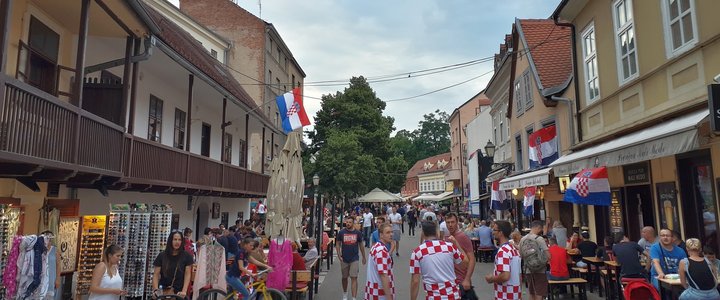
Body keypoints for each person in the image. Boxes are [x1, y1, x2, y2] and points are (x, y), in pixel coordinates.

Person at [409, 221, 468, 300]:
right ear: (437, 233)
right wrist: (456, 244)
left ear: (423, 233)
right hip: (453, 295)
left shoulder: (417, 253)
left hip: (434, 297)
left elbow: (415, 281)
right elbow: (465, 263)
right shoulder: (449, 247)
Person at [485, 220, 522, 300]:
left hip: (505, 295)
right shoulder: (513, 249)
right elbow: (519, 275)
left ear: (501, 232)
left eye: (494, 230)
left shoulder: (503, 251)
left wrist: (492, 278)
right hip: (515, 294)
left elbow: (505, 276)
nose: (492, 232)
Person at [152, 231, 194, 298]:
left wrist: (184, 290)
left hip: (179, 293)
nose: (177, 242)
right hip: (163, 291)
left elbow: (187, 274)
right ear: (171, 240)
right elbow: (156, 274)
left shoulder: (187, 256)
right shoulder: (162, 255)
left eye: (179, 240)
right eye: (175, 239)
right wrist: (155, 290)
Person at [445, 213, 477, 298]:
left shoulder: (462, 237)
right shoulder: (446, 238)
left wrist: (467, 279)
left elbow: (472, 260)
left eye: (452, 222)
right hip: (451, 281)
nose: (450, 225)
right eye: (448, 222)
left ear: (457, 222)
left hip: (461, 281)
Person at [336, 218, 366, 300]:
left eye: (350, 222)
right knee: (344, 277)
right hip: (344, 258)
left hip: (354, 258)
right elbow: (338, 244)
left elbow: (361, 245)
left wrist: (364, 256)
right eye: (347, 222)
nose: (348, 223)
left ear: (353, 223)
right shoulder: (341, 232)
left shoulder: (357, 233)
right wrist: (339, 255)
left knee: (354, 277)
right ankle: (345, 292)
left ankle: (353, 297)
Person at [519, 220, 549, 300]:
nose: (541, 231)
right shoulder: (539, 239)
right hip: (540, 270)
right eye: (541, 229)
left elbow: (521, 255)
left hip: (528, 269)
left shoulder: (522, 239)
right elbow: (548, 255)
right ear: (538, 228)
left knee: (531, 292)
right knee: (539, 292)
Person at [365, 223, 395, 300]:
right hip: (379, 293)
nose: (391, 234)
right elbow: (383, 275)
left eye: (392, 232)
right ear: (381, 235)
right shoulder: (381, 251)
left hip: (373, 289)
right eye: (388, 232)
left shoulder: (376, 247)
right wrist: (389, 297)